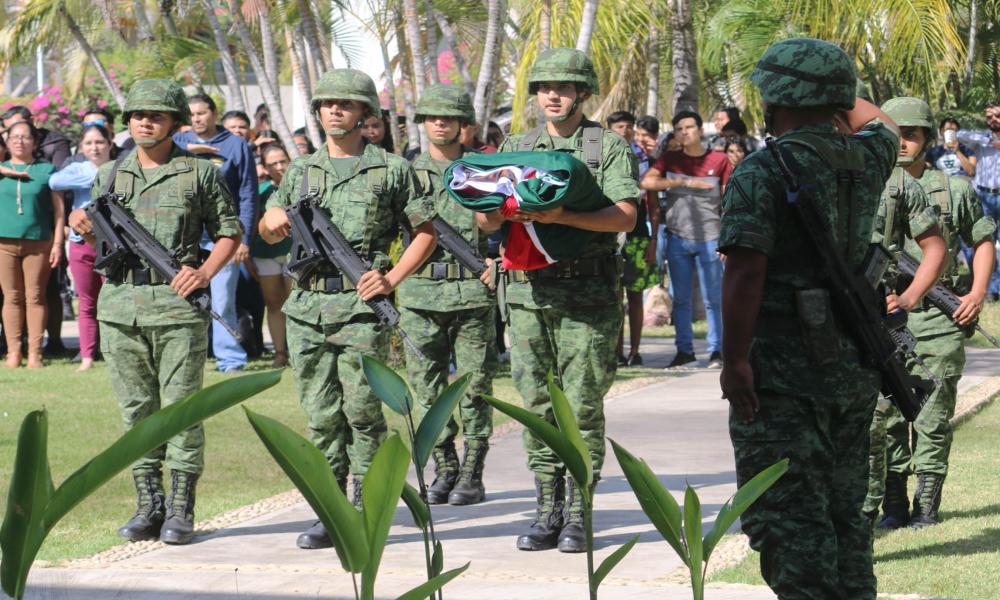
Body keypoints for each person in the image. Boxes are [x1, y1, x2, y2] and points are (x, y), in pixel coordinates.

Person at [718, 38, 943, 599]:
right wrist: (841, 91)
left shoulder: (762, 170)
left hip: (781, 369)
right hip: (852, 362)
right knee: (845, 516)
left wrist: (735, 363)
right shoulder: (866, 158)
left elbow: (744, 272)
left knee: (788, 518)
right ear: (838, 97)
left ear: (775, 95)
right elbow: (884, 123)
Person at [258, 68, 436, 549]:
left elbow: (426, 231)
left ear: (364, 113)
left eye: (345, 103)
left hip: (361, 308)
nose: (334, 110)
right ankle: (329, 506)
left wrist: (392, 278)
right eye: (326, 104)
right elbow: (270, 219)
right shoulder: (301, 170)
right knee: (320, 414)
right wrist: (272, 220)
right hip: (307, 306)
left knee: (362, 412)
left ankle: (365, 502)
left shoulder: (391, 169)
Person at [68, 79, 242, 545]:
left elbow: (229, 231)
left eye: (157, 115)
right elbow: (94, 235)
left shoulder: (200, 173)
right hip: (121, 306)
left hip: (177, 307)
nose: (145, 121)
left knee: (182, 409)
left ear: (175, 123)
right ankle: (149, 503)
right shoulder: (109, 175)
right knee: (136, 412)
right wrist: (78, 223)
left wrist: (204, 272)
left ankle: (181, 507)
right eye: (138, 115)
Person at [491, 48, 638, 553]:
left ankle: (579, 509)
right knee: (536, 405)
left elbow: (624, 217)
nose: (553, 95)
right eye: (544, 87)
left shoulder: (607, 147)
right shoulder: (517, 144)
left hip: (588, 295)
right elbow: (487, 219)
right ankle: (547, 505)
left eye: (565, 87)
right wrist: (487, 204)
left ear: (583, 93)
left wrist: (561, 219)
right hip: (529, 293)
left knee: (581, 406)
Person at [868, 98, 996, 530]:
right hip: (883, 317)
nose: (903, 142)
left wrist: (976, 293)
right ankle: (894, 504)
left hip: (936, 319)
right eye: (896, 134)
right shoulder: (871, 187)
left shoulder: (953, 189)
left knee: (933, 415)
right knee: (884, 418)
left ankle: (926, 505)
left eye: (912, 134)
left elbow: (981, 240)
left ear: (926, 139)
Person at [398, 83, 498, 506]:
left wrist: (481, 199)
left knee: (475, 386)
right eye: (432, 117)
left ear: (463, 125)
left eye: (449, 117)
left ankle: (473, 470)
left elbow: (494, 224)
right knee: (427, 388)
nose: (440, 123)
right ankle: (445, 466)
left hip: (473, 288)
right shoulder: (404, 172)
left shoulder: (482, 167)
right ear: (423, 123)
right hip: (420, 292)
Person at [641, 110, 732, 369]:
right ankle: (685, 351)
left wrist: (727, 237)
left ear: (700, 130)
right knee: (680, 300)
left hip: (711, 239)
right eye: (679, 128)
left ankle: (717, 351)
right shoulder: (670, 159)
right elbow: (647, 183)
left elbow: (729, 202)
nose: (684, 132)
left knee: (714, 299)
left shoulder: (720, 160)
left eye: (689, 127)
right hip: (678, 239)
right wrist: (683, 182)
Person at [174, 94, 258, 372]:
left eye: (202, 113)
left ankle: (230, 360)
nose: (197, 118)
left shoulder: (236, 145)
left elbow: (247, 194)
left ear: (214, 113)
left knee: (223, 301)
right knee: (183, 300)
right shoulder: (178, 143)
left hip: (224, 236)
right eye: (192, 114)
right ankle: (185, 359)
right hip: (186, 237)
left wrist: (243, 239)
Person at [49, 124, 115, 371]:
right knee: (87, 303)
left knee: (114, 302)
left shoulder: (123, 169)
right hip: (81, 243)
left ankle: (114, 353)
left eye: (99, 142)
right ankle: (87, 356)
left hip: (114, 244)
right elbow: (55, 181)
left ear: (109, 144)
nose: (94, 147)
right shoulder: (78, 169)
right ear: (81, 148)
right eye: (88, 143)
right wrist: (95, 176)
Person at [0, 120, 64, 368]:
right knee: (11, 297)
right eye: (14, 136)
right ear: (6, 141)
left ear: (35, 142)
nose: (19, 141)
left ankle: (36, 353)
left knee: (35, 297)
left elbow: (59, 212)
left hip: (39, 242)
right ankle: (14, 352)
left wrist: (58, 243)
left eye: (25, 137)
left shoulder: (46, 170)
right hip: (3, 243)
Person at [610, 111, 657, 366]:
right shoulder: (602, 157)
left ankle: (635, 351)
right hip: (609, 235)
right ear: (609, 129)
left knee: (636, 295)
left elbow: (654, 203)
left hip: (638, 234)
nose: (625, 131)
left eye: (629, 126)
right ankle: (615, 351)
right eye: (620, 126)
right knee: (615, 296)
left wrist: (653, 239)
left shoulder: (644, 160)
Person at [248, 143, 293, 367]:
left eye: (282, 161)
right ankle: (280, 353)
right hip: (265, 254)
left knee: (294, 302)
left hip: (295, 254)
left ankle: (298, 350)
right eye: (273, 163)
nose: (279, 167)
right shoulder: (261, 191)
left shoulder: (302, 186)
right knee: (273, 303)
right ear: (265, 167)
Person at [956, 103, 1000, 301]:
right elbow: (960, 134)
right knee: (983, 242)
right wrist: (990, 139)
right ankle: (989, 289)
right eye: (989, 116)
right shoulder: (981, 141)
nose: (992, 120)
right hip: (983, 196)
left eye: (996, 115)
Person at [2, 106, 71, 167]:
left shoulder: (55, 143)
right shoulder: (8, 143)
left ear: (32, 121)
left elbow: (62, 175)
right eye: (9, 129)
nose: (14, 131)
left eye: (18, 125)